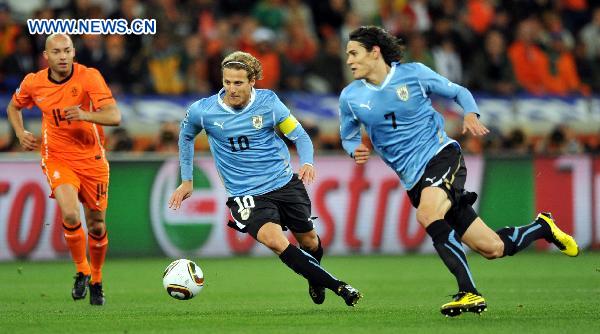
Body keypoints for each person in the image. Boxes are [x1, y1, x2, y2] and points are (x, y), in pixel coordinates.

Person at [338, 26, 579, 316]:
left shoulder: (413, 74)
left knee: (427, 214)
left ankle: (469, 293)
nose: (349, 60)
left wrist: (470, 113)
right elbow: (348, 134)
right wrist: (354, 149)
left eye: (354, 53)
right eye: (347, 54)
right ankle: (544, 227)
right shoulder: (350, 97)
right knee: (493, 248)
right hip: (413, 179)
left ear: (374, 52)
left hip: (441, 156)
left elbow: (458, 92)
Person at [169, 51, 361, 307]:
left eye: (238, 83)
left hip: (283, 184)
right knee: (275, 241)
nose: (231, 89)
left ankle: (315, 277)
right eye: (227, 82)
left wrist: (306, 162)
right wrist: (187, 179)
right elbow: (186, 137)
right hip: (245, 195)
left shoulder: (269, 103)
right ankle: (339, 286)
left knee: (310, 241)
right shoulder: (203, 111)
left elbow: (300, 137)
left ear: (252, 82)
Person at [6, 34, 121, 306]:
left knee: (97, 223)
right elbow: (14, 107)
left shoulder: (89, 77)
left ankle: (97, 278)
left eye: (67, 50)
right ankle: (81, 269)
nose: (62, 56)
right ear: (46, 56)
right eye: (56, 52)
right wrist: (20, 132)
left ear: (73, 52)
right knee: (70, 213)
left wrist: (85, 115)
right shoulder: (33, 82)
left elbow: (114, 116)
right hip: (57, 156)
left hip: (92, 158)